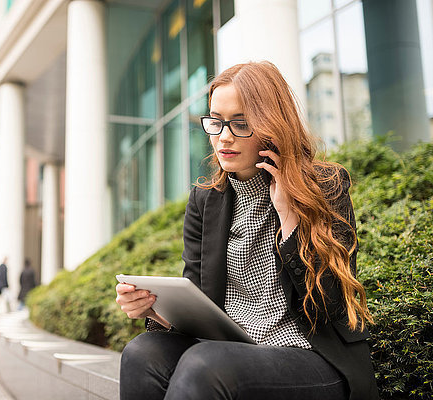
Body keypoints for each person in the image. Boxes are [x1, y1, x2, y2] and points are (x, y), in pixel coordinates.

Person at [115, 61, 378, 400]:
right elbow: (199, 301)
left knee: (205, 363)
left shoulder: (326, 186)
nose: (223, 137)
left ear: (271, 126)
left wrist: (289, 217)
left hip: (311, 356)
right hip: (229, 349)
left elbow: (330, 306)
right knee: (142, 352)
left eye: (240, 123)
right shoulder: (205, 200)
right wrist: (155, 311)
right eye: (216, 122)